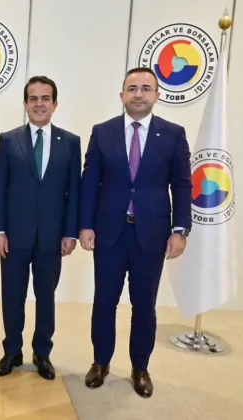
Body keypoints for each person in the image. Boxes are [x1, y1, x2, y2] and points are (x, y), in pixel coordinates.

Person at [78, 67, 192, 397]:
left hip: (151, 235)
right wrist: (85, 224)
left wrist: (180, 229)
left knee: (144, 306)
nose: (138, 94)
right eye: (132, 88)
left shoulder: (173, 134)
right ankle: (100, 362)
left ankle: (140, 367)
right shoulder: (103, 132)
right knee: (104, 303)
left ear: (157, 95)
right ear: (122, 95)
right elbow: (90, 182)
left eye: (145, 88)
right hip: (109, 234)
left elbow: (182, 184)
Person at [0, 76, 81, 380]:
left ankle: (42, 353)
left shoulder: (70, 142)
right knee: (12, 296)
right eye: (33, 98)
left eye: (45, 98)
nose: (39, 104)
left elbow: (74, 192)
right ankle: (12, 351)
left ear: (55, 104)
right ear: (25, 104)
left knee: (46, 298)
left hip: (52, 237)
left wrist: (70, 232)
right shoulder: (8, 140)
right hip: (14, 236)